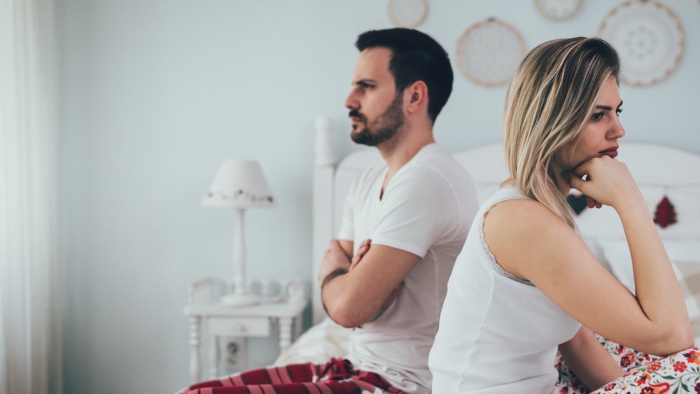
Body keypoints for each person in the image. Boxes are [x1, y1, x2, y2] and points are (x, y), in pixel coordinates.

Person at [183, 28, 478, 394]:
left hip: (399, 384)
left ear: (414, 96)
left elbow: (348, 309)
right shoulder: (366, 180)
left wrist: (344, 277)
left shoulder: (428, 179)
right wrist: (349, 281)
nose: (349, 100)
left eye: (366, 86)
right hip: (354, 367)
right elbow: (345, 296)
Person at [428, 36, 696, 393]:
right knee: (690, 367)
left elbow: (579, 344)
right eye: (598, 115)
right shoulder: (524, 221)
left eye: (617, 112)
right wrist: (631, 202)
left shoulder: (543, 210)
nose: (619, 130)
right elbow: (671, 335)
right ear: (554, 121)